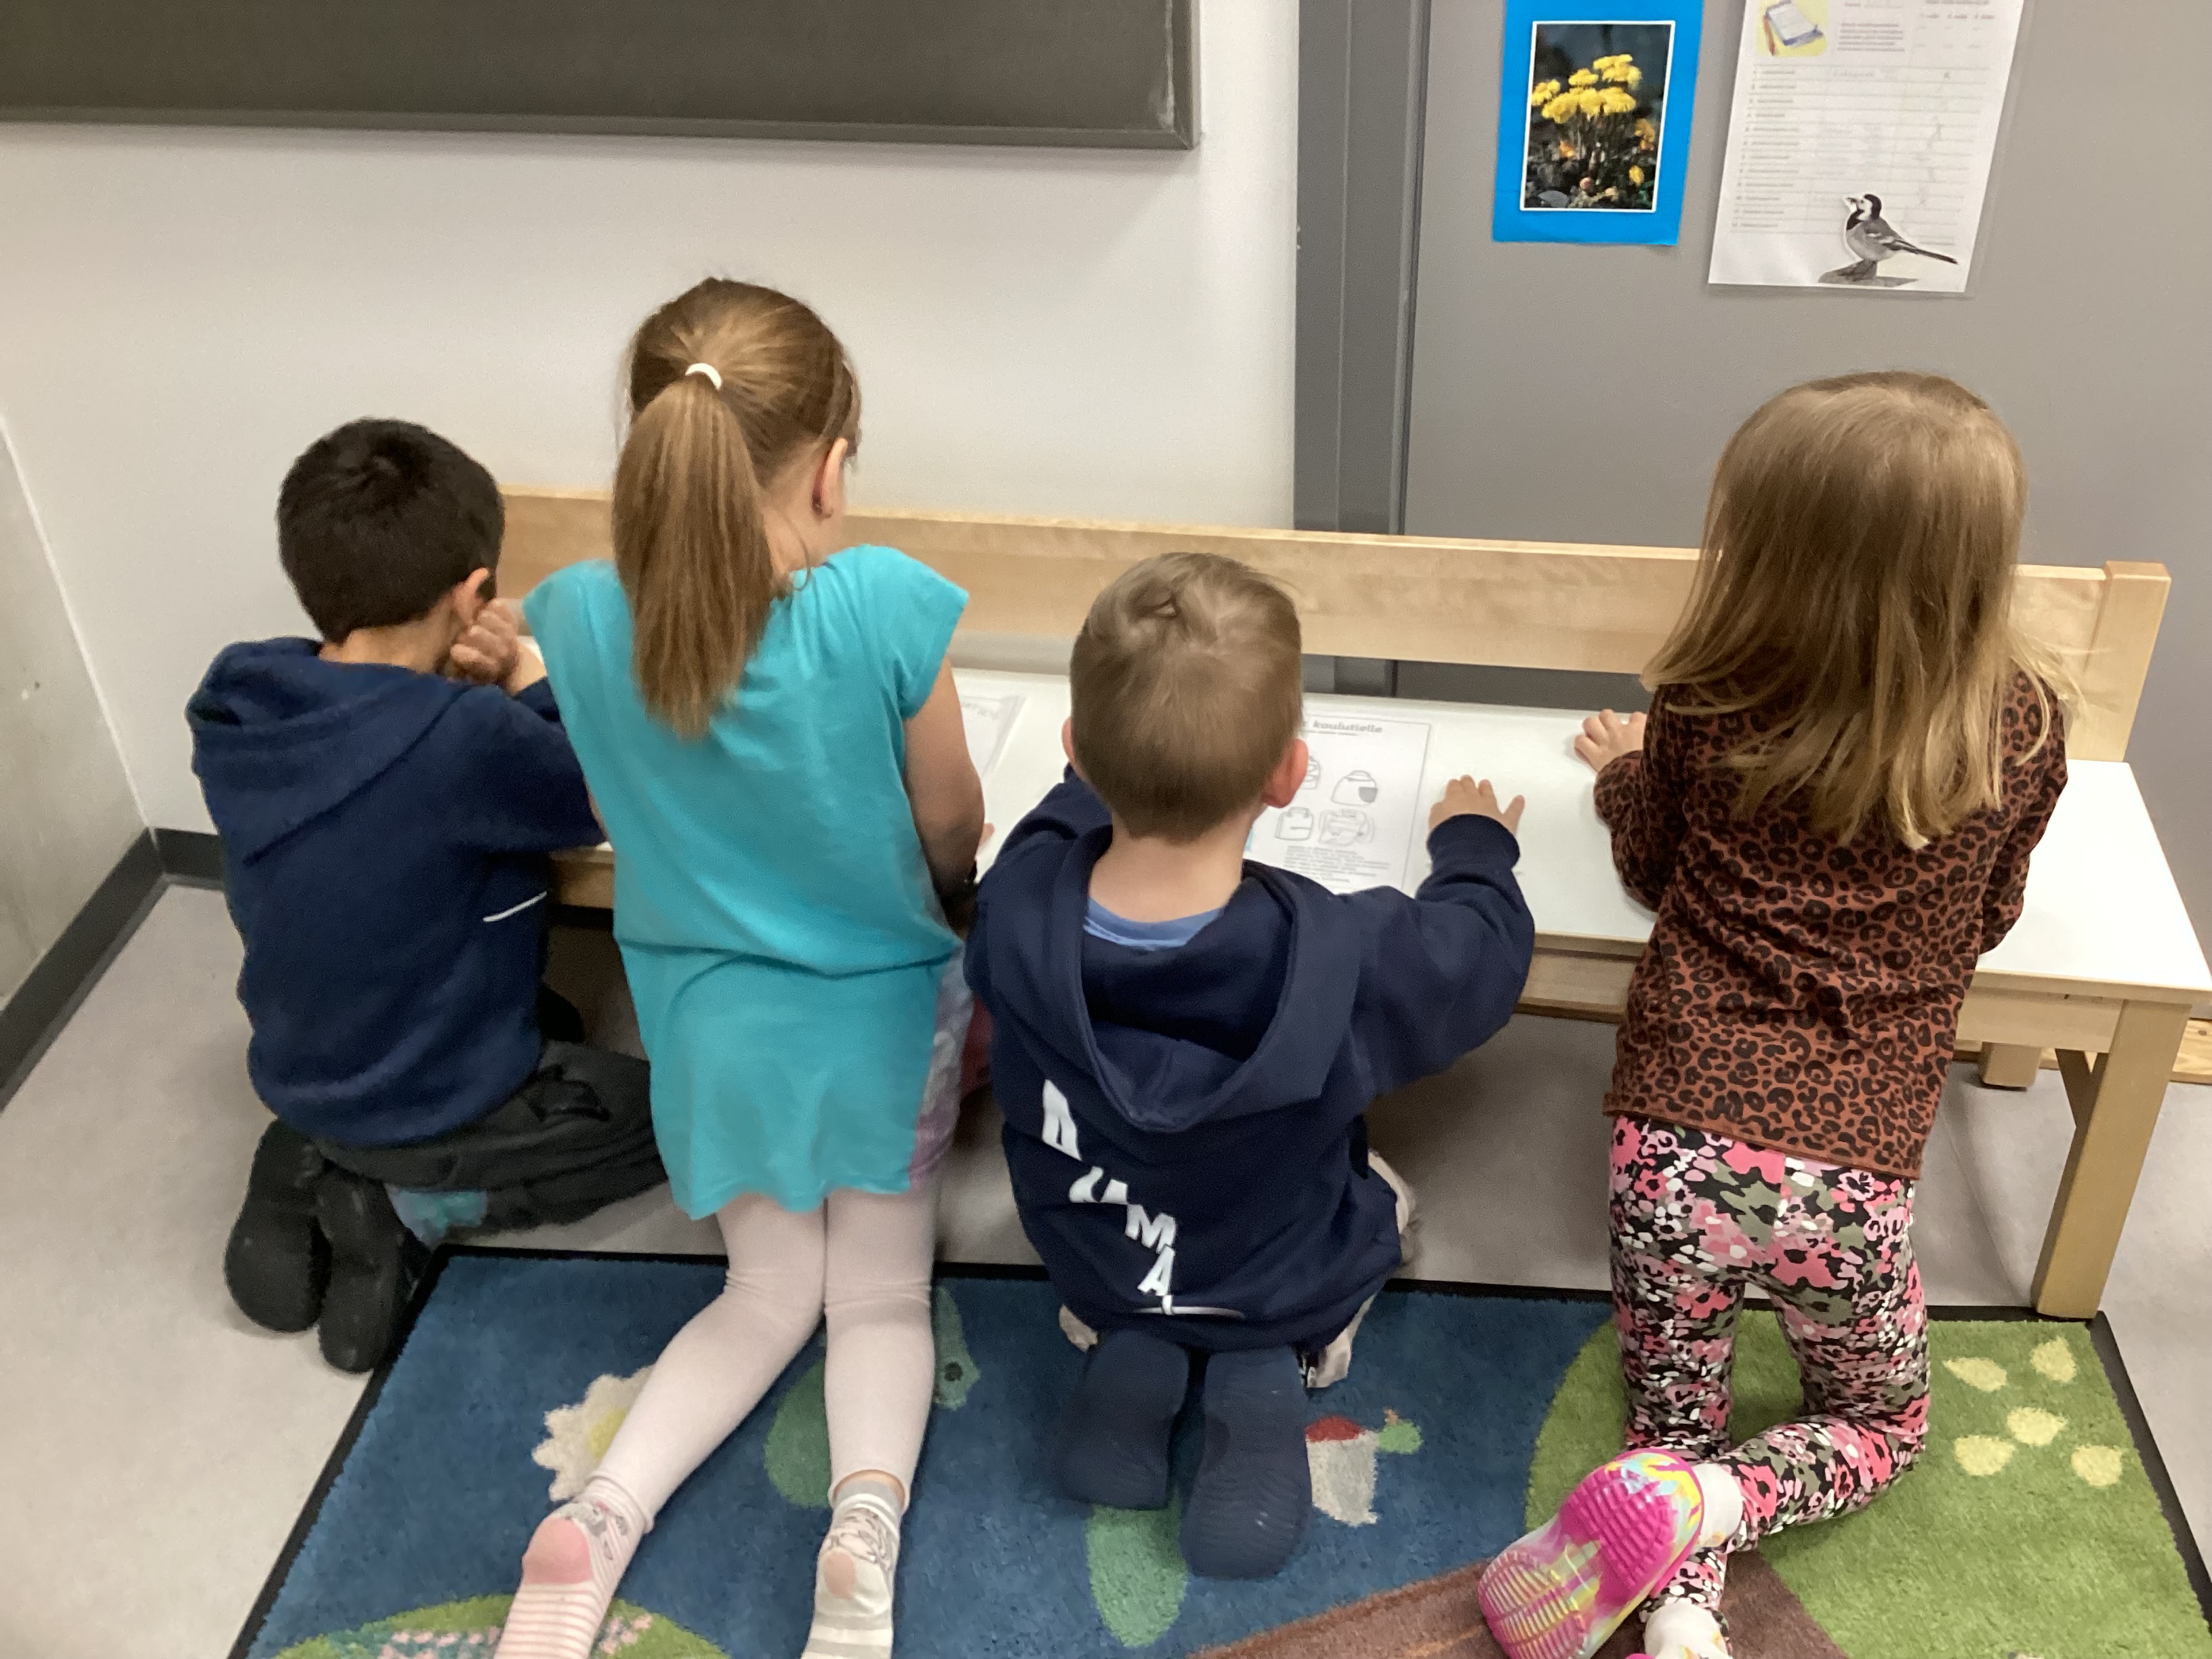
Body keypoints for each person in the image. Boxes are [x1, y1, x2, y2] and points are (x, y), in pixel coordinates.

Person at [1478, 372, 2068, 1659]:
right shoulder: (2020, 727)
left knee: (1670, 1418)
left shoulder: (1711, 696)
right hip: (1847, 1182)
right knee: (1881, 1427)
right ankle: (1718, 1509)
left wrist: (1626, 773)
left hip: (1670, 1146)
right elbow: (1992, 914)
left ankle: (1682, 1599)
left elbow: (1654, 867)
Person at [496, 280, 985, 1659]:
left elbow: (615, 794)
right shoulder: (885, 606)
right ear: (832, 468)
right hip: (878, 1025)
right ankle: (861, 1532)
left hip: (708, 1029)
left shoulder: (577, 616)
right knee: (876, 1297)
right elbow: (953, 827)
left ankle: (600, 1516)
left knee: (764, 1292)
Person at [967, 552, 1536, 1580]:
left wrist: (1108, 760)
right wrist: (1474, 849)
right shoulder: (1344, 956)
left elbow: (1057, 823)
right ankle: (1267, 1372)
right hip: (1282, 1282)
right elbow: (1480, 961)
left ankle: (1135, 1353)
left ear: (1074, 749)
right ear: (1288, 774)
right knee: (1386, 1198)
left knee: (1136, 1262)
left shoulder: (1013, 905)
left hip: (1097, 1259)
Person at [190, 419, 663, 1374]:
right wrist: (525, 676)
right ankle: (409, 1203)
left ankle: (311, 1151)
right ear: (473, 593)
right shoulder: (462, 741)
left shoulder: (244, 700)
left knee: (552, 1009)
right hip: (436, 1092)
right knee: (684, 1119)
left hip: (304, 1059)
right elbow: (593, 794)